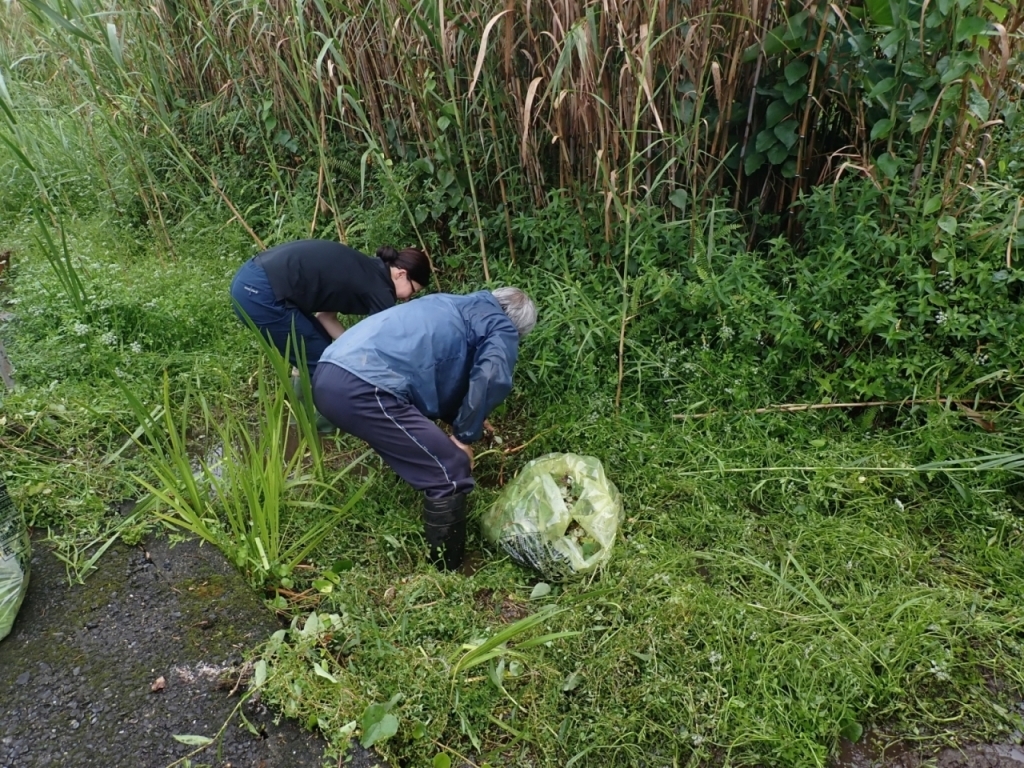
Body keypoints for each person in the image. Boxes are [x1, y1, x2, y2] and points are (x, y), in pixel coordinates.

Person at [312, 287, 538, 571]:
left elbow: (438, 374)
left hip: (329, 370)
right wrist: (463, 438)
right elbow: (490, 377)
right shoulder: (501, 327)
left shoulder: (450, 303)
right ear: (516, 330)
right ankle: (447, 568)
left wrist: (464, 416)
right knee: (450, 469)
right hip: (363, 387)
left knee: (423, 440)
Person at [229, 240, 431, 376]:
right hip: (260, 292)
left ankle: (303, 416)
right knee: (326, 366)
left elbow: (325, 317)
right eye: (412, 291)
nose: (408, 299)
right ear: (401, 274)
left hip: (251, 277)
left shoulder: (367, 269)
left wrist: (351, 354)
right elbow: (386, 348)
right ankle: (322, 421)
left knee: (321, 348)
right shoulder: (381, 290)